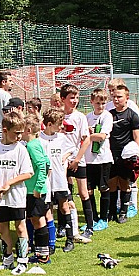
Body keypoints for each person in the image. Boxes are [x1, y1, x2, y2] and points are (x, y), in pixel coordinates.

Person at [0, 112, 33, 275]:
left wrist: (8, 184)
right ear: (5, 130)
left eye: (21, 133)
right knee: (3, 227)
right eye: (16, 133)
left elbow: (28, 173)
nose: (19, 136)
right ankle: (7, 259)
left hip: (16, 195)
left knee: (20, 226)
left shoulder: (21, 149)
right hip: (1, 197)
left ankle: (23, 261)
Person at [60, 84, 94, 240]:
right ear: (63, 99)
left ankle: (89, 226)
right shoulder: (58, 116)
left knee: (83, 192)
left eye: (77, 98)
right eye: (71, 98)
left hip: (77, 159)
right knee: (62, 194)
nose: (75, 101)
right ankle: (64, 226)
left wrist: (77, 159)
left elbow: (86, 140)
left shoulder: (80, 117)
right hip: (61, 161)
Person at [40, 107, 76, 252]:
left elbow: (72, 148)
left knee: (64, 206)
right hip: (46, 180)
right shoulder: (40, 139)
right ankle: (50, 241)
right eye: (59, 123)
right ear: (49, 124)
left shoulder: (61, 138)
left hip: (59, 178)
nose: (61, 127)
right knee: (47, 208)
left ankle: (70, 238)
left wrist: (65, 156)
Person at [106, 78, 139, 215]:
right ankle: (113, 210)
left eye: (118, 96)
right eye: (112, 95)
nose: (115, 98)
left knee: (127, 182)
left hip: (126, 153)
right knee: (112, 182)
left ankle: (127, 208)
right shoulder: (109, 113)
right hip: (111, 153)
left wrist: (136, 154)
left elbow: (137, 135)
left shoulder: (132, 112)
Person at [22, 114, 51, 264]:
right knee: (34, 219)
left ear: (27, 129)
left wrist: (38, 187)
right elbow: (46, 161)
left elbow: (41, 164)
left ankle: (43, 254)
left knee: (38, 220)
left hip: (34, 190)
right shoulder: (35, 143)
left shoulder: (32, 145)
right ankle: (39, 250)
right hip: (31, 188)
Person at [85, 89, 114, 231]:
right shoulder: (87, 117)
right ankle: (93, 219)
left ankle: (104, 218)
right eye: (98, 103)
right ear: (92, 102)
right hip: (89, 160)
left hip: (103, 159)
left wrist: (90, 134)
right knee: (89, 190)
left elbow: (102, 136)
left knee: (103, 188)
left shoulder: (107, 116)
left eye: (103, 103)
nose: (100, 106)